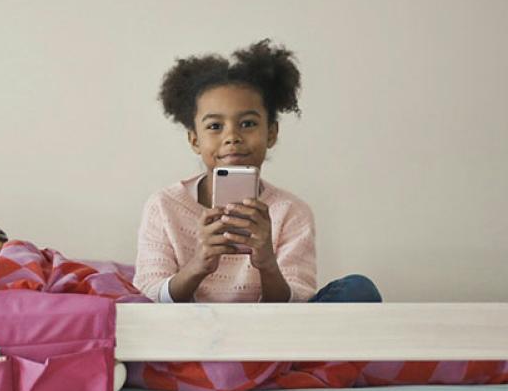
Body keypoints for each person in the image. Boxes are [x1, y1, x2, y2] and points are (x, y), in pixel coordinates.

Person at [134, 39, 381, 304]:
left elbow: (297, 304)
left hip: (269, 337)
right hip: (193, 335)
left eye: (248, 123)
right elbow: (147, 297)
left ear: (271, 133)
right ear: (195, 140)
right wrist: (199, 264)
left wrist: (267, 264)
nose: (232, 136)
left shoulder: (291, 211)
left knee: (358, 289)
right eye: (215, 126)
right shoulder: (164, 206)